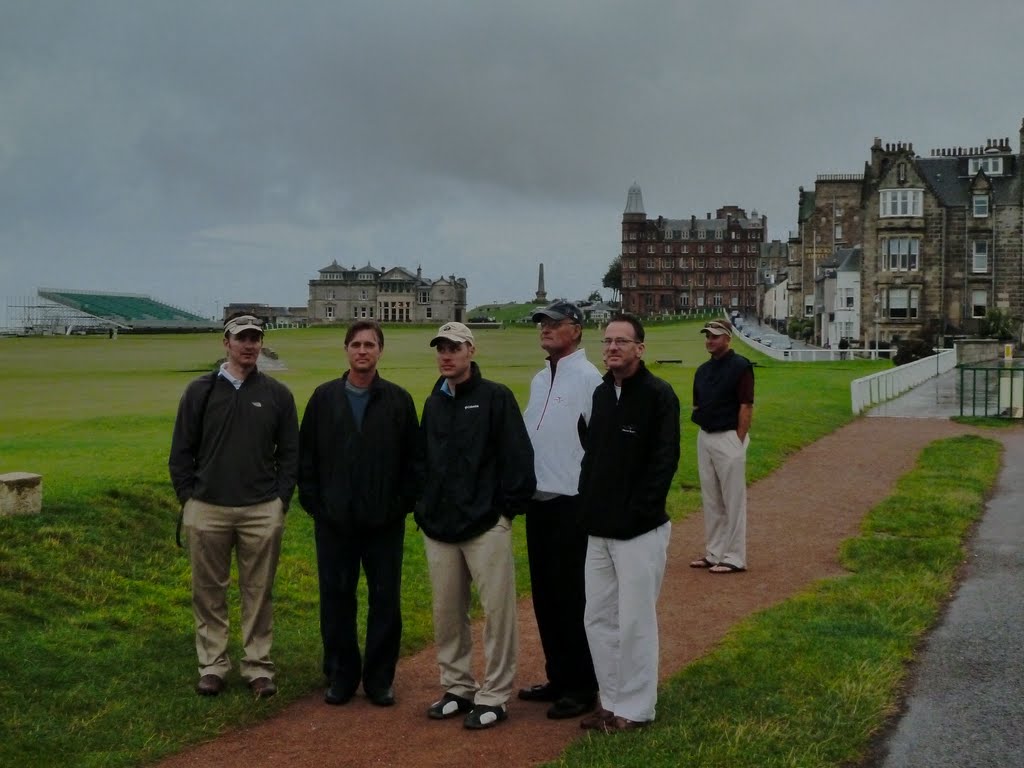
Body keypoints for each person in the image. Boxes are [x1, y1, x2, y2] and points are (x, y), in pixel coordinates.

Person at [169, 313, 299, 698]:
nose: (249, 345)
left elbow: (290, 455)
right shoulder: (200, 391)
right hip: (207, 507)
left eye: (255, 338)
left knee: (258, 590)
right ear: (226, 342)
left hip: (261, 508)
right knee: (208, 590)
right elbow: (181, 452)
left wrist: (280, 501)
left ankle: (258, 665)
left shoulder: (277, 394)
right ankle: (213, 664)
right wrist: (188, 500)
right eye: (242, 338)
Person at [416, 321, 536, 730]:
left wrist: (505, 511)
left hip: (485, 524)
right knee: (447, 613)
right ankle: (457, 686)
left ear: (471, 351)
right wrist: (424, 508)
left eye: (454, 347)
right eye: (441, 348)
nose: (446, 355)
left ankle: (496, 694)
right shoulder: (434, 402)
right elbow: (425, 462)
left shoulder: (494, 397)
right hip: (440, 526)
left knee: (497, 613)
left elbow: (518, 459)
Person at [298, 320, 419, 707]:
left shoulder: (398, 400)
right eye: (356, 344)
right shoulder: (324, 398)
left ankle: (380, 679)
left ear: (380, 351)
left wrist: (400, 505)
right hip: (335, 522)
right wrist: (316, 504)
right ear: (346, 350)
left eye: (370, 344)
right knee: (336, 598)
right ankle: (340, 674)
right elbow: (307, 458)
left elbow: (413, 463)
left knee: (385, 599)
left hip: (384, 522)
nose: (362, 351)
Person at [577, 313, 680, 732]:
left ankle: (635, 709)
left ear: (640, 347)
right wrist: (588, 505)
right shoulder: (601, 394)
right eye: (608, 341)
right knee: (598, 618)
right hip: (599, 528)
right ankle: (612, 699)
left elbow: (664, 461)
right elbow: (591, 456)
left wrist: (639, 511)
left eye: (622, 341)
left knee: (635, 619)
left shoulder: (659, 395)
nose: (613, 347)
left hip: (640, 530)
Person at [518, 301, 602, 719]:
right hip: (539, 503)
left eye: (554, 323)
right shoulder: (539, 378)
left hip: (572, 503)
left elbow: (599, 447)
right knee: (546, 597)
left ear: (577, 329)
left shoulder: (589, 379)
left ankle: (582, 684)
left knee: (573, 598)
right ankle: (558, 676)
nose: (545, 329)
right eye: (541, 324)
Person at [689, 318, 754, 574]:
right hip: (705, 436)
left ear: (728, 338)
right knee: (711, 498)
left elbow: (746, 405)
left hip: (728, 436)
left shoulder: (740, 366)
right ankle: (714, 552)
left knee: (733, 500)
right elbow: (697, 405)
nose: (710, 340)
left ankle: (736, 556)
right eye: (708, 335)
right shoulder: (703, 370)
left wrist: (738, 439)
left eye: (715, 335)